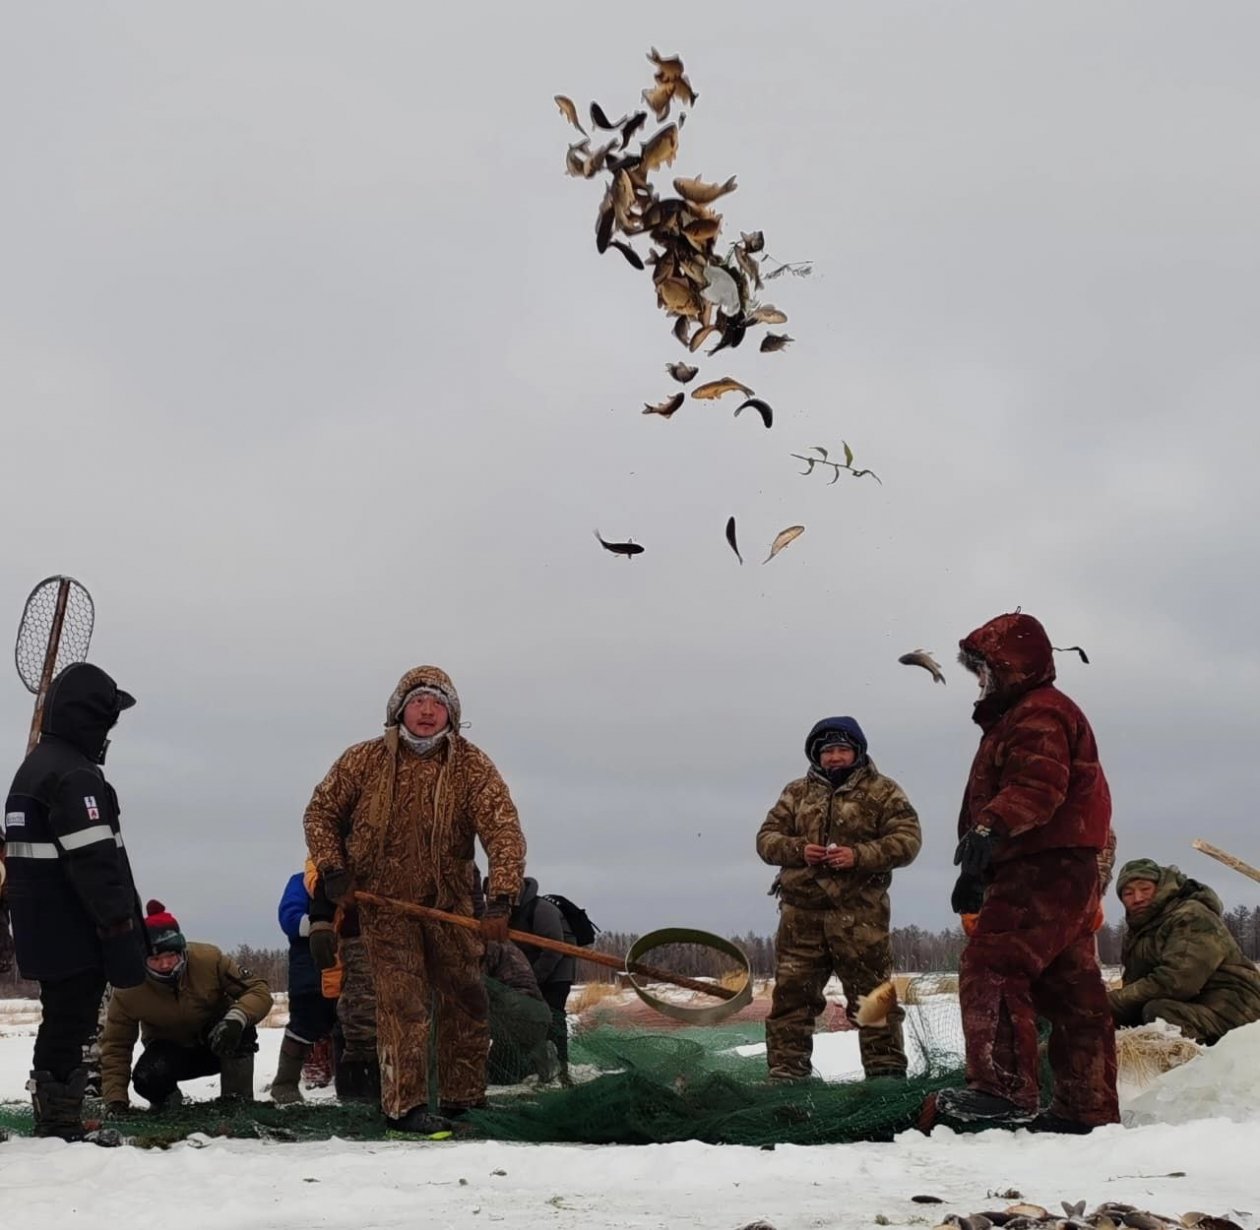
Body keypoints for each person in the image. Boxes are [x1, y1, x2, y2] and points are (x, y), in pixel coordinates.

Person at [304, 665, 527, 1134]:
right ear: (399, 709)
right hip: (386, 908)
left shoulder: (471, 766)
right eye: (418, 700)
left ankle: (463, 1101)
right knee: (401, 1005)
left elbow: (503, 830)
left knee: (467, 1000)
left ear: (452, 713)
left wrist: (502, 898)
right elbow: (320, 813)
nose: (427, 711)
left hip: (451, 908)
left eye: (438, 702)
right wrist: (334, 870)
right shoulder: (363, 761)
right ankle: (404, 1110)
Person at [935, 611, 1119, 1134]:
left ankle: (1002, 1091)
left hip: (1039, 866)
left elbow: (1039, 788)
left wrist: (987, 832)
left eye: (984, 668)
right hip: (1066, 867)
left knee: (992, 965)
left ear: (1011, 665)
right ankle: (1088, 1108)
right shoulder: (1032, 713)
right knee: (1072, 992)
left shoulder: (1036, 713)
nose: (979, 680)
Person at [3, 662, 147, 1140]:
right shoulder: (73, 775)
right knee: (70, 1022)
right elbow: (96, 865)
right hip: (74, 929)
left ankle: (57, 1117)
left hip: (41, 928)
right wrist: (120, 929)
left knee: (60, 1020)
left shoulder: (34, 770)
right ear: (88, 720)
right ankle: (60, 1122)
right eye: (107, 721)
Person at [756, 716, 922, 1081]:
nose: (834, 758)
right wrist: (800, 849)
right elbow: (766, 839)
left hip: (861, 918)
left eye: (842, 749)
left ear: (857, 752)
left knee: (874, 1003)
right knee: (791, 1004)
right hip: (802, 918)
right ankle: (787, 1079)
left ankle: (886, 1080)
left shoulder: (884, 792)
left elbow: (908, 841)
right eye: (827, 751)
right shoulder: (796, 793)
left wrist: (858, 856)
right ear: (817, 755)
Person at [99, 901, 273, 1112]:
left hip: (219, 1044)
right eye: (155, 959)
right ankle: (169, 1107)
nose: (164, 965)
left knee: (241, 1030)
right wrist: (115, 1100)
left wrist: (237, 1018)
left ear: (181, 950)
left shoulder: (210, 960)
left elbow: (258, 990)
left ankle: (236, 1103)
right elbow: (116, 1047)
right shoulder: (129, 987)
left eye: (170, 956)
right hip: (170, 1054)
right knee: (146, 1078)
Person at [1109, 858, 1260, 1044]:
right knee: (1113, 1018)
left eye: (1145, 889)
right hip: (1191, 1004)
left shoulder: (1191, 916)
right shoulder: (1139, 931)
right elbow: (1135, 984)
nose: (1137, 898)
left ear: (1161, 887)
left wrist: (1111, 1001)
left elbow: (1176, 982)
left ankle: (1209, 1062)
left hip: (1236, 1007)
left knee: (1159, 1015)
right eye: (1128, 893)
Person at [269, 868, 339, 1104]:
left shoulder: (355, 879)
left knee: (353, 1027)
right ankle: (285, 1085)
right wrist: (325, 924)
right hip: (310, 970)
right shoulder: (301, 881)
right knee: (304, 1027)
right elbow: (289, 918)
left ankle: (355, 1088)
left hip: (352, 969)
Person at [506, 877, 576, 1082]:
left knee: (553, 1019)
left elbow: (554, 950)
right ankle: (535, 1069)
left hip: (557, 974)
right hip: (532, 973)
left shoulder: (542, 909)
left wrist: (533, 979)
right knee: (528, 1022)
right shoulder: (507, 914)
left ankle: (562, 1070)